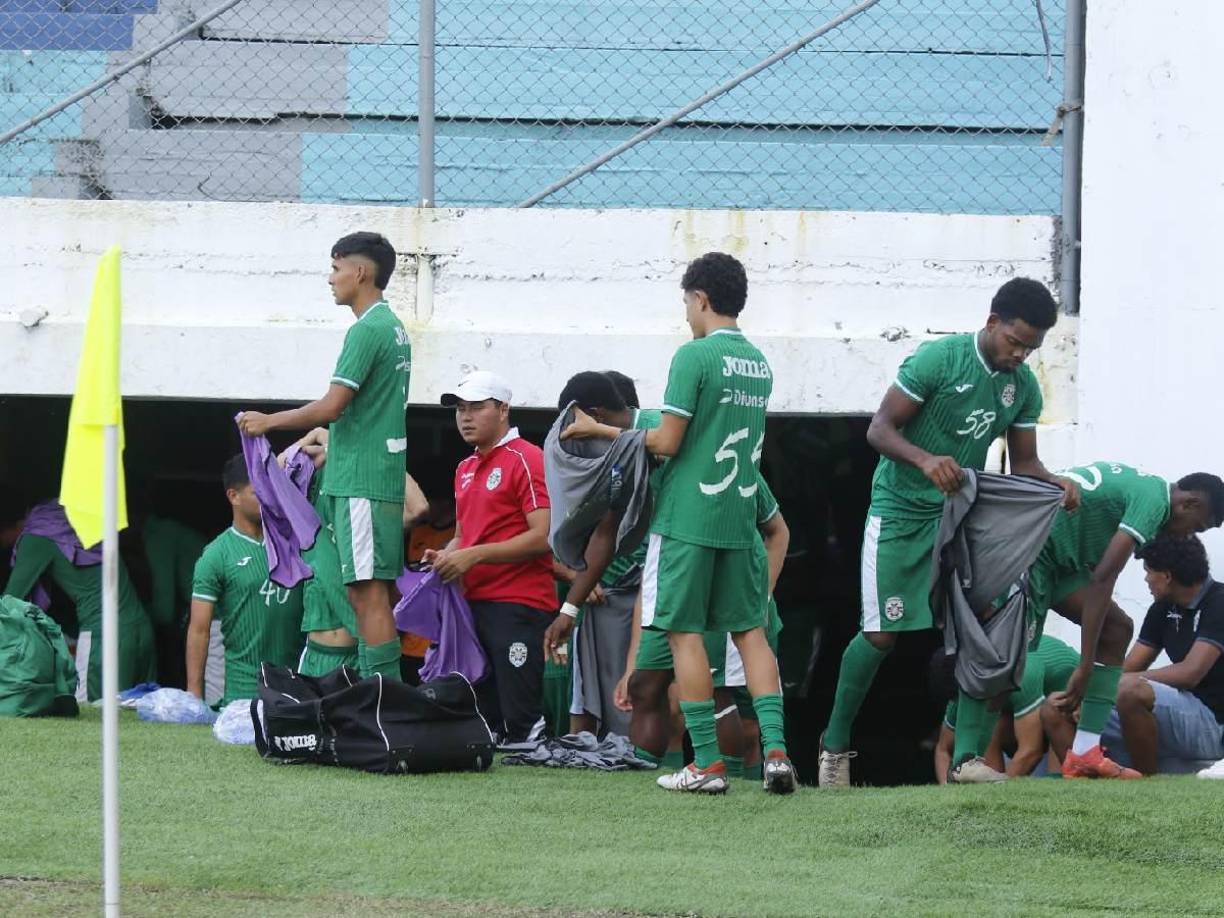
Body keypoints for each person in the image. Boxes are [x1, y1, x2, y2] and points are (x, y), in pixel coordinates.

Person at [818, 278, 1077, 787]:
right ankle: (834, 748)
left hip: (960, 519)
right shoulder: (939, 360)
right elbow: (879, 429)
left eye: (1031, 347)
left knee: (989, 623)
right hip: (899, 514)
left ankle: (967, 760)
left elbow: (1025, 464)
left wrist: (1055, 483)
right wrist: (925, 459)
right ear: (992, 323)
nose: (1021, 355)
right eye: (1015, 341)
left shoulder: (1021, 387)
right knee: (880, 635)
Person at [563, 252, 795, 794]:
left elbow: (667, 440)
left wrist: (605, 430)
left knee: (684, 636)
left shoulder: (694, 356)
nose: (687, 312)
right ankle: (779, 755)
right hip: (740, 518)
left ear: (700, 299)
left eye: (686, 302)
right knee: (751, 636)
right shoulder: (759, 363)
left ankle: (707, 765)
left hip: (690, 519)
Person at [238, 231, 410, 681]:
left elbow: (333, 405)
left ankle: (384, 699)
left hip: (362, 481)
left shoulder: (367, 329)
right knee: (365, 593)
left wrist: (269, 423)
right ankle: (382, 698)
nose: (330, 278)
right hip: (363, 476)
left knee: (368, 595)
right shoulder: (388, 327)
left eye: (336, 268)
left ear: (360, 272)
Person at [1027, 465, 1224, 778]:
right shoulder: (1164, 606)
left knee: (1128, 678)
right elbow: (1128, 665)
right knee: (1057, 705)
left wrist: (1101, 673)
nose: (1145, 578)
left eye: (1149, 571)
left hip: (1209, 723)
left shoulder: (1218, 600)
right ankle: (1084, 772)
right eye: (1196, 528)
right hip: (1039, 555)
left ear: (1167, 575)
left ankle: (1143, 785)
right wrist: (1092, 690)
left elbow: (1189, 673)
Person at [426, 369, 555, 743]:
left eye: (476, 407)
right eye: (460, 409)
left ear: (503, 409)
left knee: (521, 718)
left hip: (518, 602)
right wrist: (445, 556)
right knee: (486, 720)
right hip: (472, 604)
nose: (465, 417)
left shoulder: (527, 458)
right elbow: (463, 536)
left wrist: (474, 556)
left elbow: (543, 537)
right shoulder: (463, 468)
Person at [1, 488, 155, 702]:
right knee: (137, 714)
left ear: (18, 524)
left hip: (104, 636)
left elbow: (9, 602)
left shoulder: (37, 536)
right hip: (140, 629)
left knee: (91, 714)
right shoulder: (71, 522)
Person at [187, 456, 304, 705]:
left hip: (298, 688)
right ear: (233, 496)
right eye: (258, 492)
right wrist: (194, 696)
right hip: (243, 696)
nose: (269, 497)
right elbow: (199, 630)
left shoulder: (298, 543)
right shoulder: (217, 555)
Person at [932, 634, 1079, 783]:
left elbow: (1031, 751)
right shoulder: (963, 692)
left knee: (1054, 710)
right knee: (986, 724)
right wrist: (948, 792)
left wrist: (1000, 790)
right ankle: (988, 782)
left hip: (1071, 705)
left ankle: (1056, 780)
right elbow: (943, 749)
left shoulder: (1022, 673)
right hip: (1026, 703)